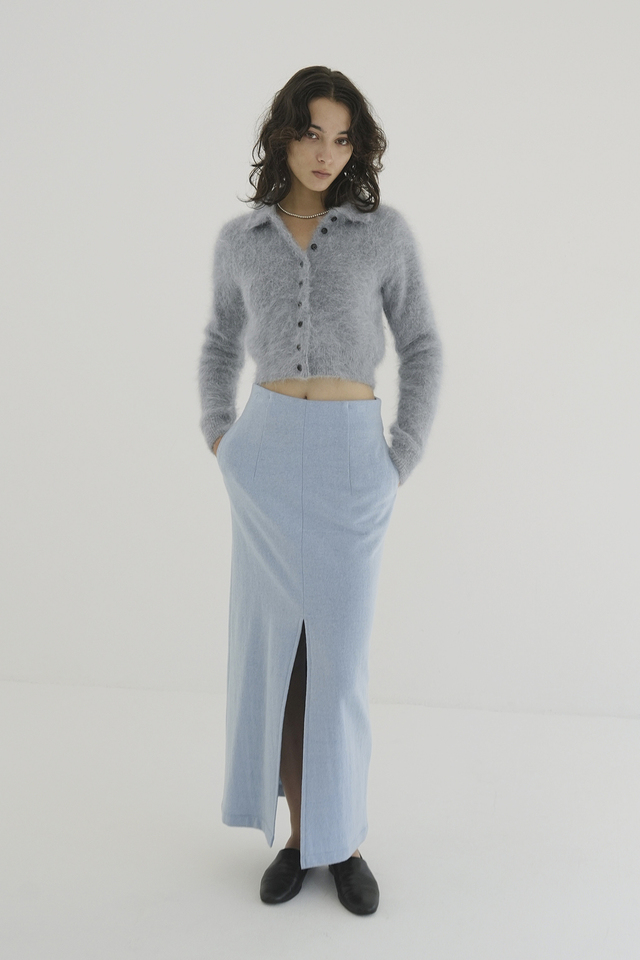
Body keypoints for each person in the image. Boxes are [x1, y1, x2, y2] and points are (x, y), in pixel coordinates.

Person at [198, 65, 442, 915]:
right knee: (284, 663)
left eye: (342, 138)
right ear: (284, 136)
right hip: (264, 462)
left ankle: (348, 842)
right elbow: (219, 344)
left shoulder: (385, 235)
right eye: (311, 134)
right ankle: (302, 837)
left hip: (350, 462)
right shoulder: (241, 241)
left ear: (357, 147)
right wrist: (222, 436)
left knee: (339, 665)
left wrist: (400, 455)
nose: (325, 152)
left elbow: (422, 345)